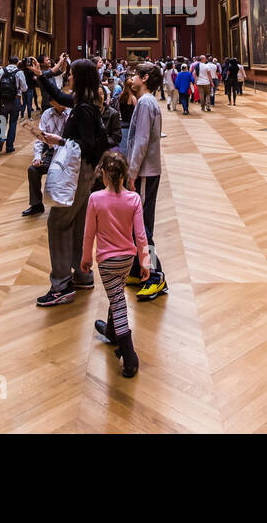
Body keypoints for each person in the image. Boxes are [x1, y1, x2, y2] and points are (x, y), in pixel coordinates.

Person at [34, 58, 108, 306]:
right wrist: (44, 74)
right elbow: (59, 95)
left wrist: (60, 141)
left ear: (81, 77)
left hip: (78, 172)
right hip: (85, 173)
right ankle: (82, 273)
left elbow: (87, 146)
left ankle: (61, 284)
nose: (69, 77)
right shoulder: (86, 102)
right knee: (76, 223)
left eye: (71, 74)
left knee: (57, 224)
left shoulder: (84, 110)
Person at [81, 149, 150, 378]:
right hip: (127, 259)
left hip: (107, 262)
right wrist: (145, 262)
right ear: (123, 175)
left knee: (118, 303)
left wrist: (85, 259)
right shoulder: (134, 199)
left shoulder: (95, 199)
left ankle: (129, 358)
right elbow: (141, 236)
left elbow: (89, 234)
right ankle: (111, 331)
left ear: (103, 175)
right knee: (117, 294)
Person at [124, 62, 166, 300]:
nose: (131, 78)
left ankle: (154, 275)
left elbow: (141, 141)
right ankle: (137, 269)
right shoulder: (147, 102)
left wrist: (132, 173)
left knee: (142, 227)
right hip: (146, 171)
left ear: (145, 77)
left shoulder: (146, 102)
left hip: (144, 172)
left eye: (135, 74)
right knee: (139, 223)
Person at [24, 94, 70, 216]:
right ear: (51, 102)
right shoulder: (47, 114)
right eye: (58, 99)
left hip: (69, 154)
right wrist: (37, 157)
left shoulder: (71, 113)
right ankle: (36, 204)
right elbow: (40, 138)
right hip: (52, 153)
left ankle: (64, 205)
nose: (62, 102)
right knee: (33, 170)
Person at [0, 56, 27, 153]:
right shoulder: (19, 72)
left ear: (8, 62)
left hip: (4, 100)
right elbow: (24, 88)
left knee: (3, 121)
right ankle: (9, 147)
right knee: (13, 123)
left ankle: (1, 139)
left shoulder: (1, 71)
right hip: (15, 100)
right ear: (17, 63)